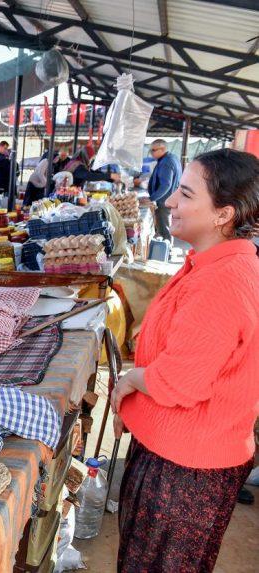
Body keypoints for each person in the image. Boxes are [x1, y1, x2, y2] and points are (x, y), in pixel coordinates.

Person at [112, 149, 259, 573]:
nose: (170, 202)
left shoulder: (222, 281)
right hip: (177, 455)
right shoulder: (212, 263)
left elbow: (181, 382)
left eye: (186, 194)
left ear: (223, 214)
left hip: (185, 470)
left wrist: (130, 380)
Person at [147, 139, 182, 243]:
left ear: (162, 149)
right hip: (169, 199)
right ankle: (167, 248)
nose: (151, 153)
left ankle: (166, 251)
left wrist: (151, 198)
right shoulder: (171, 158)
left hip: (164, 201)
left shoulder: (166, 162)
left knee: (164, 228)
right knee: (166, 226)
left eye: (153, 150)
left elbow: (166, 185)